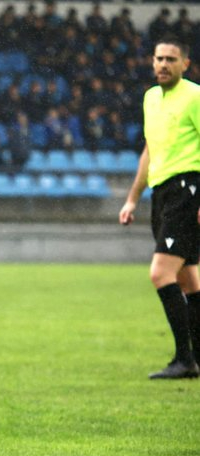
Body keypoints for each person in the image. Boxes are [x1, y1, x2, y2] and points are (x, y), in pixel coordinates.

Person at [119, 37, 200, 380]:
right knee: (189, 279)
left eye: (171, 59)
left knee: (160, 273)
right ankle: (195, 358)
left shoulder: (195, 97)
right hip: (162, 192)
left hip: (188, 188)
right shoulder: (151, 98)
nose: (163, 65)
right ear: (152, 62)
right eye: (159, 59)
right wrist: (133, 198)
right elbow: (150, 150)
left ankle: (185, 359)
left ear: (186, 64)